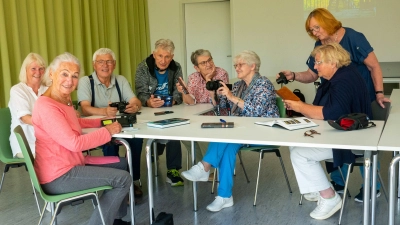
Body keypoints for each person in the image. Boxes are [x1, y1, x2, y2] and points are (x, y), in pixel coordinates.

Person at [278, 8, 389, 202]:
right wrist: (294, 76)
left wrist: (379, 92)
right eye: (311, 30)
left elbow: (374, 66)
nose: (314, 32)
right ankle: (336, 182)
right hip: (334, 99)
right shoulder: (319, 45)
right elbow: (312, 74)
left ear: (328, 22)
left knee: (359, 139)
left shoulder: (353, 37)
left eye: (316, 27)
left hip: (358, 100)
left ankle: (371, 186)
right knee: (328, 130)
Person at [32, 52, 132, 225]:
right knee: (123, 179)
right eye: (64, 74)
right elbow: (74, 143)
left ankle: (115, 219)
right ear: (51, 74)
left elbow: (74, 122)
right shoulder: (46, 106)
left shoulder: (62, 99)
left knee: (123, 164)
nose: (69, 81)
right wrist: (107, 131)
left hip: (71, 164)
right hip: (59, 176)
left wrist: (102, 122)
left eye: (75, 76)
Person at [181, 50, 279, 212]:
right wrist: (216, 95)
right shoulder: (240, 85)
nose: (237, 68)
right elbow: (224, 109)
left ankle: (204, 167)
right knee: (227, 147)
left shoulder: (264, 83)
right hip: (241, 132)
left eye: (240, 65)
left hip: (263, 131)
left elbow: (256, 111)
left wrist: (232, 97)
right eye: (235, 65)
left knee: (227, 132)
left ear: (253, 66)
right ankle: (224, 197)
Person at [285, 43, 372, 220]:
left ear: (333, 62)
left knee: (299, 155)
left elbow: (330, 113)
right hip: (346, 133)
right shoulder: (342, 75)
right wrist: (302, 107)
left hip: (353, 139)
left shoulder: (343, 80)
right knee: (294, 145)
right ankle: (316, 189)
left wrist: (301, 106)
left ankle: (329, 197)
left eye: (318, 62)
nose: (315, 67)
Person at [77, 48, 144, 197]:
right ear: (94, 65)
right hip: (96, 126)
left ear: (114, 64)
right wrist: (104, 112)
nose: (105, 65)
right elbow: (85, 109)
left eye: (108, 62)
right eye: (101, 62)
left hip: (120, 123)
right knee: (109, 141)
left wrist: (135, 106)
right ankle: (114, 182)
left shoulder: (120, 80)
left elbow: (135, 100)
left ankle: (132, 179)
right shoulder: (86, 81)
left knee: (137, 140)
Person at [135, 39, 184, 186]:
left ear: (172, 56)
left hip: (170, 107)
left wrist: (173, 100)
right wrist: (148, 102)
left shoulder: (176, 67)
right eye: (160, 56)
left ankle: (173, 170)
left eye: (167, 57)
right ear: (154, 55)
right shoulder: (143, 68)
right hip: (149, 109)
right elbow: (140, 92)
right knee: (153, 133)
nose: (163, 60)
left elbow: (179, 90)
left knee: (174, 131)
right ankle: (154, 151)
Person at [176, 49, 229, 170]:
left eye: (209, 60)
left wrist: (209, 80)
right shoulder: (193, 77)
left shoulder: (221, 74)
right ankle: (203, 164)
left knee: (203, 131)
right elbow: (190, 101)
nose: (208, 64)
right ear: (196, 68)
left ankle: (209, 168)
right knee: (184, 134)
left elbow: (218, 102)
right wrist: (184, 91)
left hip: (220, 115)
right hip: (199, 115)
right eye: (203, 63)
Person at [9, 53, 48, 158]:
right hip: (25, 143)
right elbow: (26, 118)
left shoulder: (48, 88)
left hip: (47, 140)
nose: (38, 72)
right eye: (33, 69)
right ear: (25, 70)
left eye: (41, 69)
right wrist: (51, 124)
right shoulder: (17, 90)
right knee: (56, 156)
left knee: (69, 151)